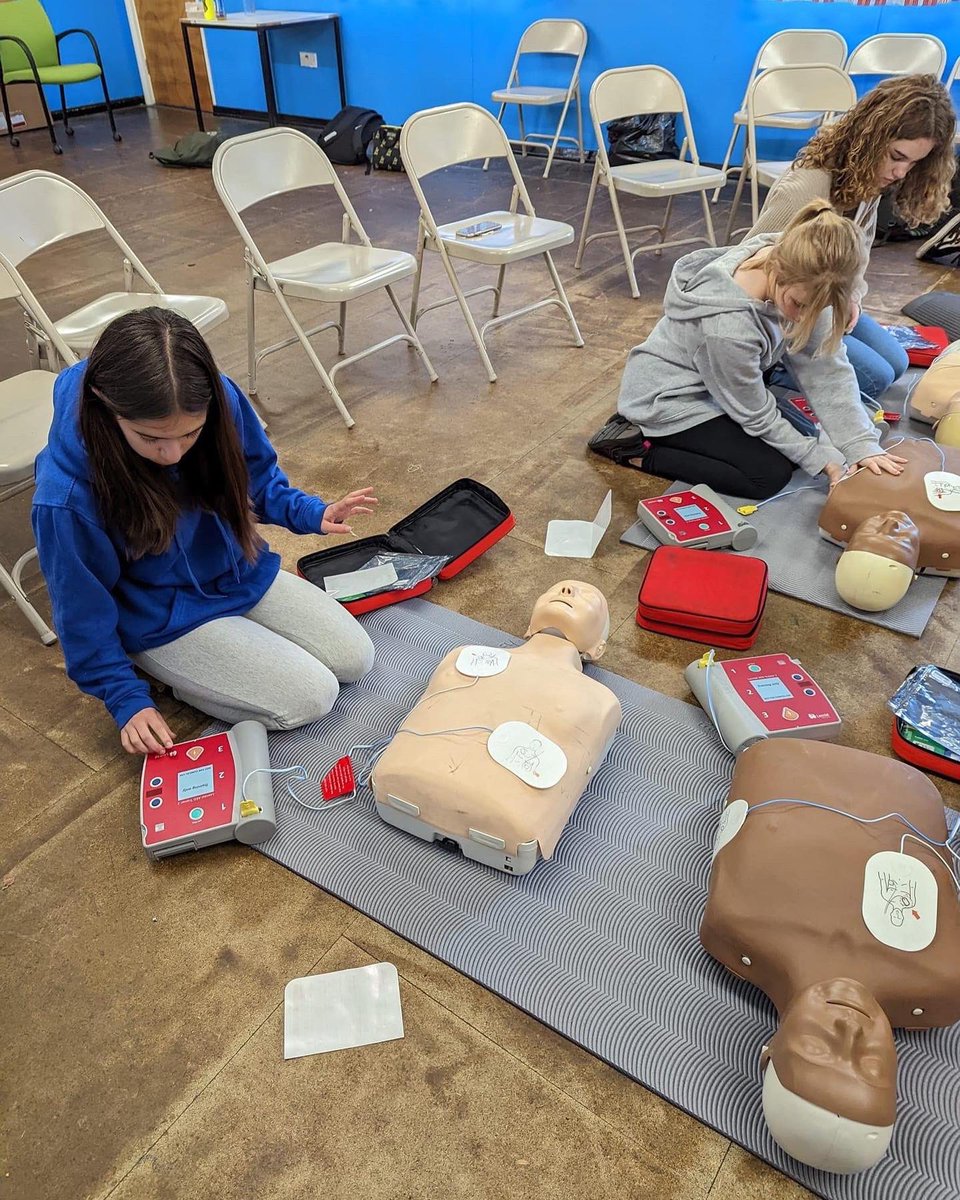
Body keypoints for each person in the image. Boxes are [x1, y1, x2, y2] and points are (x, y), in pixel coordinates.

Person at [32, 307, 377, 756]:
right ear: (105, 406)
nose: (172, 454)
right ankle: (175, 677)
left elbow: (254, 477)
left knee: (356, 659)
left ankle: (220, 660)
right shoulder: (66, 495)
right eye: (150, 438)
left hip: (236, 571)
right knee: (310, 696)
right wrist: (124, 697)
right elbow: (80, 606)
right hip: (156, 614)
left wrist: (310, 511)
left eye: (191, 434)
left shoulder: (220, 396)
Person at [588, 200, 905, 500]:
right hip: (670, 399)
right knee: (767, 474)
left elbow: (826, 369)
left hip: (719, 386)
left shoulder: (807, 264)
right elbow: (754, 412)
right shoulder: (729, 328)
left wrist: (861, 445)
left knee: (800, 444)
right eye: (798, 305)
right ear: (779, 270)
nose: (802, 318)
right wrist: (822, 461)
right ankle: (635, 447)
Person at [746, 73, 957, 404]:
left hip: (821, 304)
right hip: (781, 318)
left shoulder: (867, 180)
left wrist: (852, 298)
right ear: (869, 139)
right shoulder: (806, 188)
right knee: (875, 378)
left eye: (913, 163)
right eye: (897, 157)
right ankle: (770, 375)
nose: (901, 173)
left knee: (898, 362)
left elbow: (858, 256)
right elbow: (747, 272)